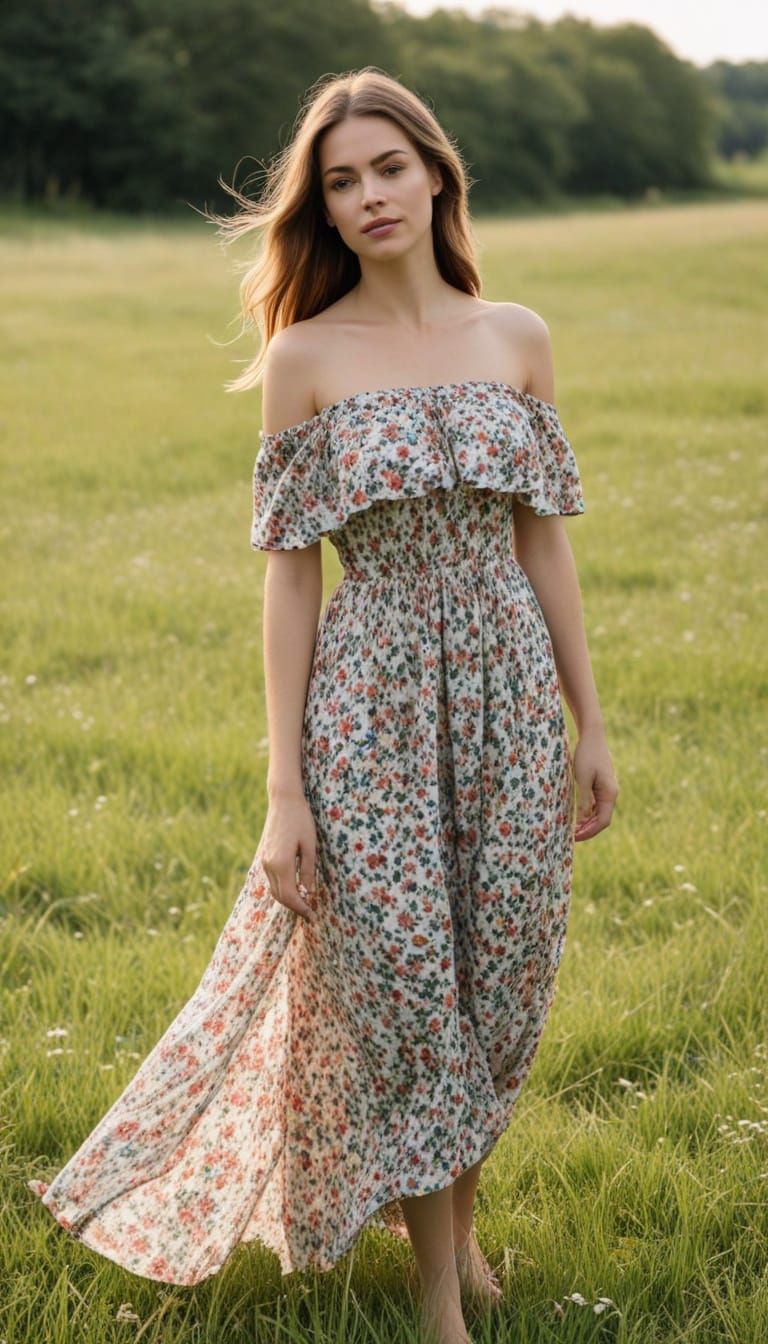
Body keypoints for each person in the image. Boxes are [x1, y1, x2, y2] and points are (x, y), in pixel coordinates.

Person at [27, 67, 618, 1344]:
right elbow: (290, 578)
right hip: (369, 704)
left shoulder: (515, 334)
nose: (367, 198)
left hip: (511, 694)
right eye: (341, 182)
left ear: (436, 173)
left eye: (387, 169)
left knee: (497, 981)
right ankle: (439, 1300)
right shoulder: (304, 356)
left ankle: (460, 1235)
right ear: (326, 210)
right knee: (407, 986)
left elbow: (545, 545)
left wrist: (593, 720)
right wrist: (286, 786)